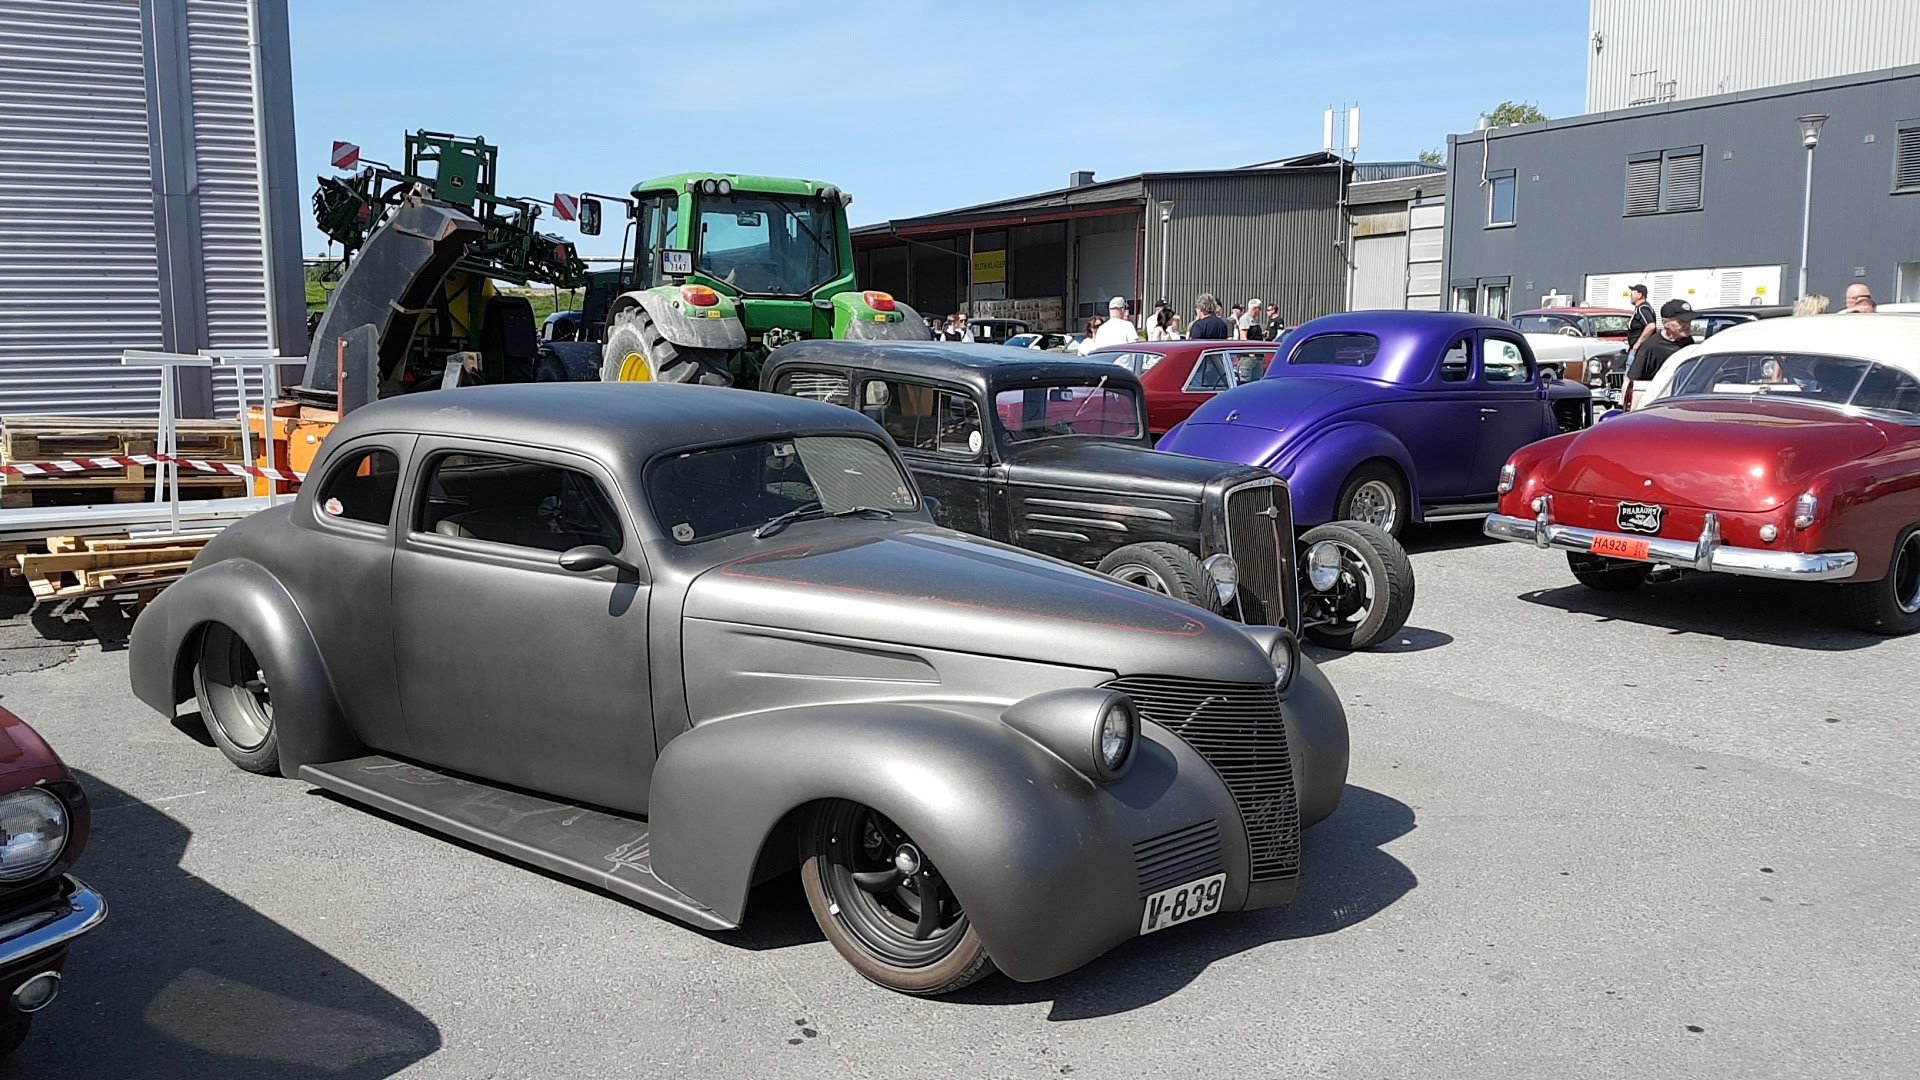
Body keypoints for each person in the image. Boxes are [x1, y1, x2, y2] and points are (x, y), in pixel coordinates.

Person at [1623, 299, 1695, 408]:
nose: (1687, 325)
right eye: (1681, 321)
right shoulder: (1650, 348)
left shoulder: (1688, 342)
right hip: (1657, 403)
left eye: (1689, 321)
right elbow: (1631, 382)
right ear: (1666, 323)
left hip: (1684, 400)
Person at [1625, 283, 1658, 357]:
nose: (1630, 296)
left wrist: (1638, 343)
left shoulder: (1643, 308)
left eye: (1632, 294)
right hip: (1638, 350)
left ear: (1639, 295)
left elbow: (1651, 326)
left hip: (1641, 350)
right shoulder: (1640, 308)